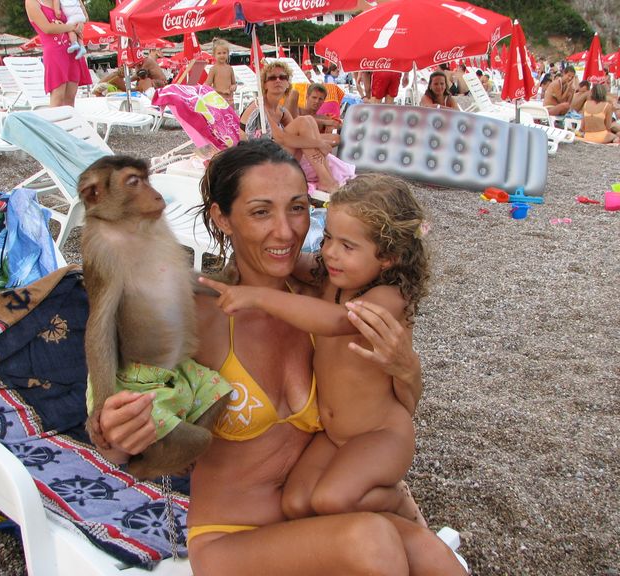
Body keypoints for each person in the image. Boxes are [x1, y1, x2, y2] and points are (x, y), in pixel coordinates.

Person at [90, 139, 468, 576]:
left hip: (320, 518)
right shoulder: (199, 315)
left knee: (436, 562)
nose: (286, 232)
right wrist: (116, 431)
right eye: (261, 212)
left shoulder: (331, 296)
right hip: (233, 539)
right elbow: (121, 447)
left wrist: (408, 369)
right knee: (372, 541)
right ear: (222, 218)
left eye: (298, 208)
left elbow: (395, 406)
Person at [199, 173, 430, 524]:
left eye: (348, 246)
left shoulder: (389, 297)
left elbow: (337, 321)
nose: (330, 253)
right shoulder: (331, 276)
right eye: (328, 238)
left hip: (380, 434)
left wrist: (258, 297)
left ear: (388, 257)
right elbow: (286, 262)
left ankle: (396, 500)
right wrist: (251, 246)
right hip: (333, 436)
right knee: (295, 503)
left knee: (331, 499)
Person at [239, 61, 350, 192]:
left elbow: (302, 133)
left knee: (307, 121)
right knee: (303, 122)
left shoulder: (281, 111)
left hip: (276, 156)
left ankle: (327, 179)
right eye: (272, 78)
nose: (278, 80)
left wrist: (319, 140)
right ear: (264, 84)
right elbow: (281, 139)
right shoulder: (259, 107)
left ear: (288, 83)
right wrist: (319, 143)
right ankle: (326, 180)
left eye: (283, 77)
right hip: (257, 161)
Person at [25, 0, 91, 107]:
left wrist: (79, 22)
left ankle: (69, 118)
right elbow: (47, 28)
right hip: (55, 53)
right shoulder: (32, 2)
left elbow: (82, 15)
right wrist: (72, 27)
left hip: (72, 51)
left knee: (70, 98)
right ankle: (55, 118)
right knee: (58, 97)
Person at [205, 39, 237, 107]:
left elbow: (234, 83)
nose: (222, 55)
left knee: (230, 114)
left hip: (229, 100)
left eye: (224, 53)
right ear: (214, 55)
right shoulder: (213, 69)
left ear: (228, 54)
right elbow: (207, 85)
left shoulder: (230, 69)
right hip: (218, 100)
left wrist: (234, 87)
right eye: (219, 53)